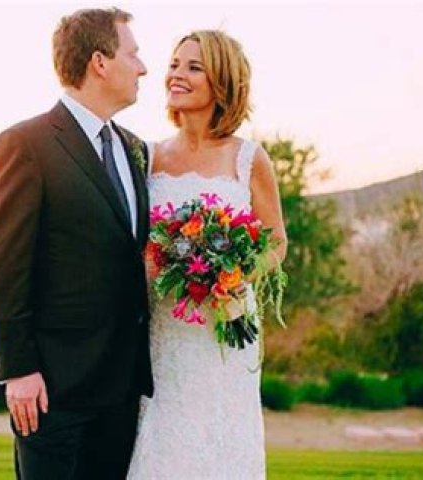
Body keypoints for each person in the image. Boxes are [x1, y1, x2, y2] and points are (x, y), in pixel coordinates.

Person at [0, 8, 153, 479]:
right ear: (100, 62)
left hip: (120, 390)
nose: (143, 68)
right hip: (51, 389)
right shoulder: (25, 144)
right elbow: (1, 265)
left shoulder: (134, 148)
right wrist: (18, 369)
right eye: (133, 54)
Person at [127, 30, 287, 479]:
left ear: (222, 81)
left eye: (193, 67)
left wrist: (232, 275)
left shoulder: (249, 158)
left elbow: (276, 243)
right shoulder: (147, 156)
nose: (176, 74)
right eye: (174, 64)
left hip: (224, 331)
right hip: (164, 330)